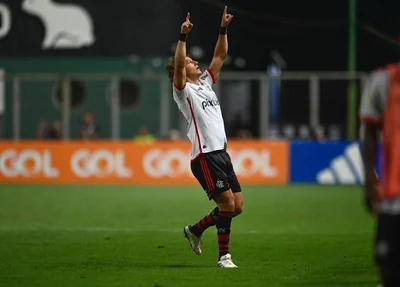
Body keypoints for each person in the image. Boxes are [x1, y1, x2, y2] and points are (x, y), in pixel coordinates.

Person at [166, 6, 243, 268]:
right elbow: (178, 64)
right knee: (228, 205)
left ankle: (195, 230)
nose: (194, 63)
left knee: (237, 206)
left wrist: (223, 29)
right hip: (205, 156)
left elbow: (220, 55)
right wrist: (183, 37)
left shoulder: (206, 84)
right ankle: (224, 257)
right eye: (190, 62)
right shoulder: (182, 90)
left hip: (221, 153)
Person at [360, 62, 400, 287]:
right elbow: (369, 131)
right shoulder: (382, 80)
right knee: (389, 272)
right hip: (394, 196)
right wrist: (369, 180)